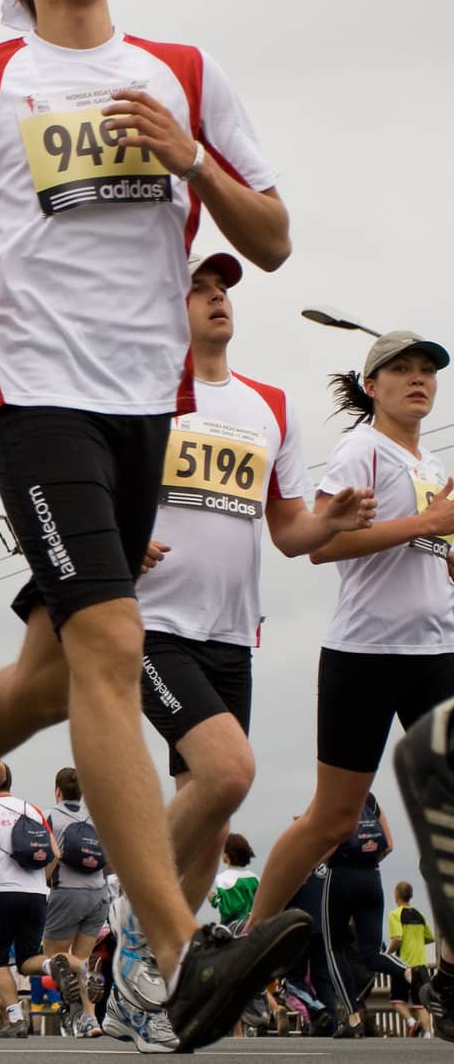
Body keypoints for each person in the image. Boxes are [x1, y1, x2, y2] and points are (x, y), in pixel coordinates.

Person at [0, 0, 309, 1051]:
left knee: (53, 673)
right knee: (108, 641)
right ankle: (175, 954)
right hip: (29, 387)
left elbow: (274, 239)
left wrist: (193, 161)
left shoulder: (184, 69)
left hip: (144, 398)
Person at [129, 251, 372, 1036]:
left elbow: (291, 530)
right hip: (152, 626)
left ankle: (163, 985)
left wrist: (330, 523)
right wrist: (116, 540)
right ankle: (134, 915)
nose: (216, 299)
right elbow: (92, 483)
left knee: (205, 805)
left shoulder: (271, 404)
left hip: (233, 634)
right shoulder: (141, 389)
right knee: (229, 772)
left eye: (224, 287)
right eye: (199, 289)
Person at [250, 332, 454, 1031]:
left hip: (438, 651)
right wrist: (428, 521)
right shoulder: (361, 450)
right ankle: (246, 944)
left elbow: (429, 550)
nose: (419, 379)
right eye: (402, 369)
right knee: (334, 818)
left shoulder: (430, 461)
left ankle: (448, 976)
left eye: (428, 370)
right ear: (373, 384)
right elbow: (322, 545)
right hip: (364, 653)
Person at [0, 761, 68, 1039]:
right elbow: (56, 853)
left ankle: (15, 1019)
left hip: (3, 892)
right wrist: (41, 881)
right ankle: (50, 966)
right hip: (36, 894)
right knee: (28, 959)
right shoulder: (33, 810)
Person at [319, 794, 400, 1037]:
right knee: (372, 953)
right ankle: (412, 972)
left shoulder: (332, 796)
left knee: (334, 947)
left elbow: (329, 845)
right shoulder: (372, 801)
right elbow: (390, 845)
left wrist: (317, 862)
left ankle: (353, 1019)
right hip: (371, 877)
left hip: (340, 876)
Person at [42, 767, 106, 1037]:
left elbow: (48, 858)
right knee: (82, 958)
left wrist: (44, 880)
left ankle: (74, 1008)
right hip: (99, 894)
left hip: (67, 892)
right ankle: (89, 1019)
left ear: (57, 790)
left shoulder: (51, 817)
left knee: (52, 959)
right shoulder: (96, 816)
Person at [387, 882, 432, 1037]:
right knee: (421, 1004)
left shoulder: (395, 914)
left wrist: (388, 953)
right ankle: (427, 1034)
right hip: (421, 965)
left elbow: (398, 938)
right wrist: (417, 941)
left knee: (397, 1000)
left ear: (396, 895)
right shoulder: (420, 914)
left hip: (403, 965)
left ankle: (411, 1022)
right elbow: (430, 937)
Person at [210, 833, 259, 925]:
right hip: (252, 926)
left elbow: (225, 907)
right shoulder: (255, 878)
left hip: (233, 929)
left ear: (227, 856)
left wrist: (211, 896)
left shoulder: (223, 879)